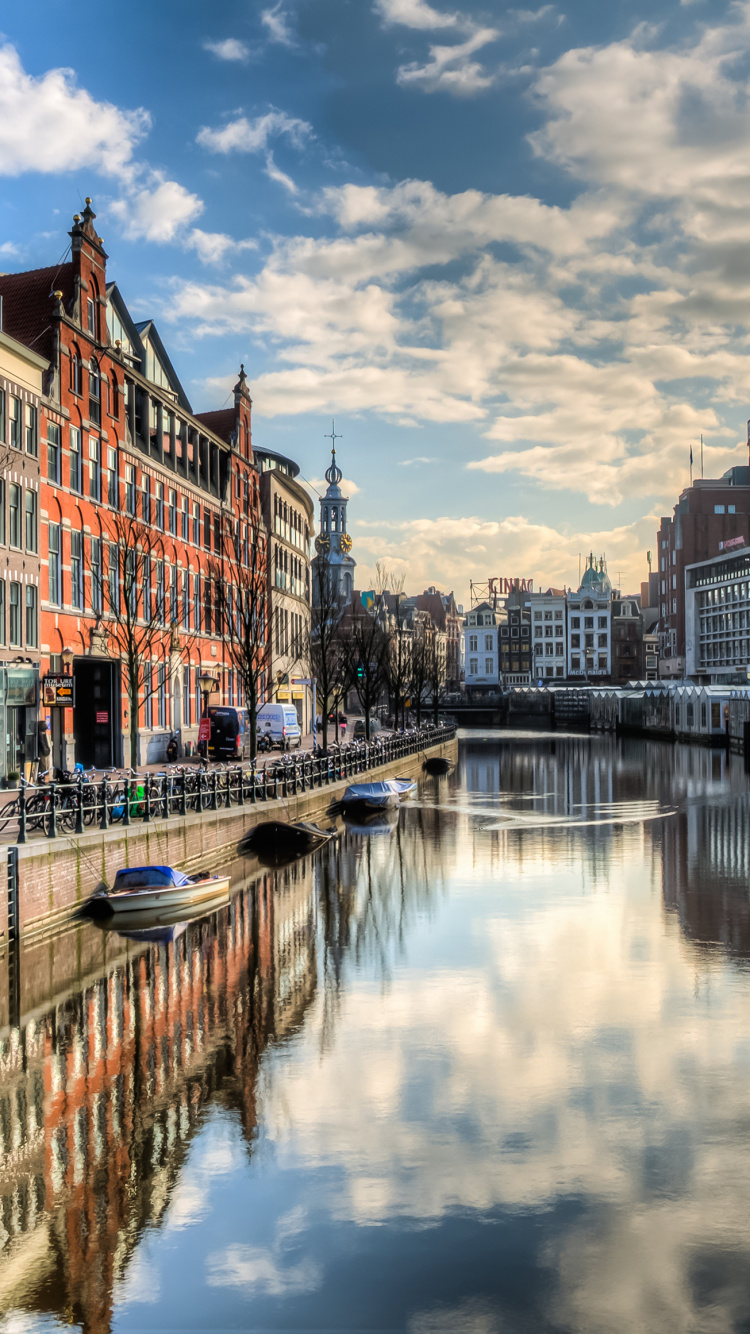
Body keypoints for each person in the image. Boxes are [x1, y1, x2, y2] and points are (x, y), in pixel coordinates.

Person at [36, 716, 51, 782]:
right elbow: (43, 744)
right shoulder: (41, 735)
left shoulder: (43, 735)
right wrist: (46, 751)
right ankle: (44, 779)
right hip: (44, 753)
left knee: (45, 766)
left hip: (45, 753)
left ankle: (45, 779)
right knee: (44, 766)